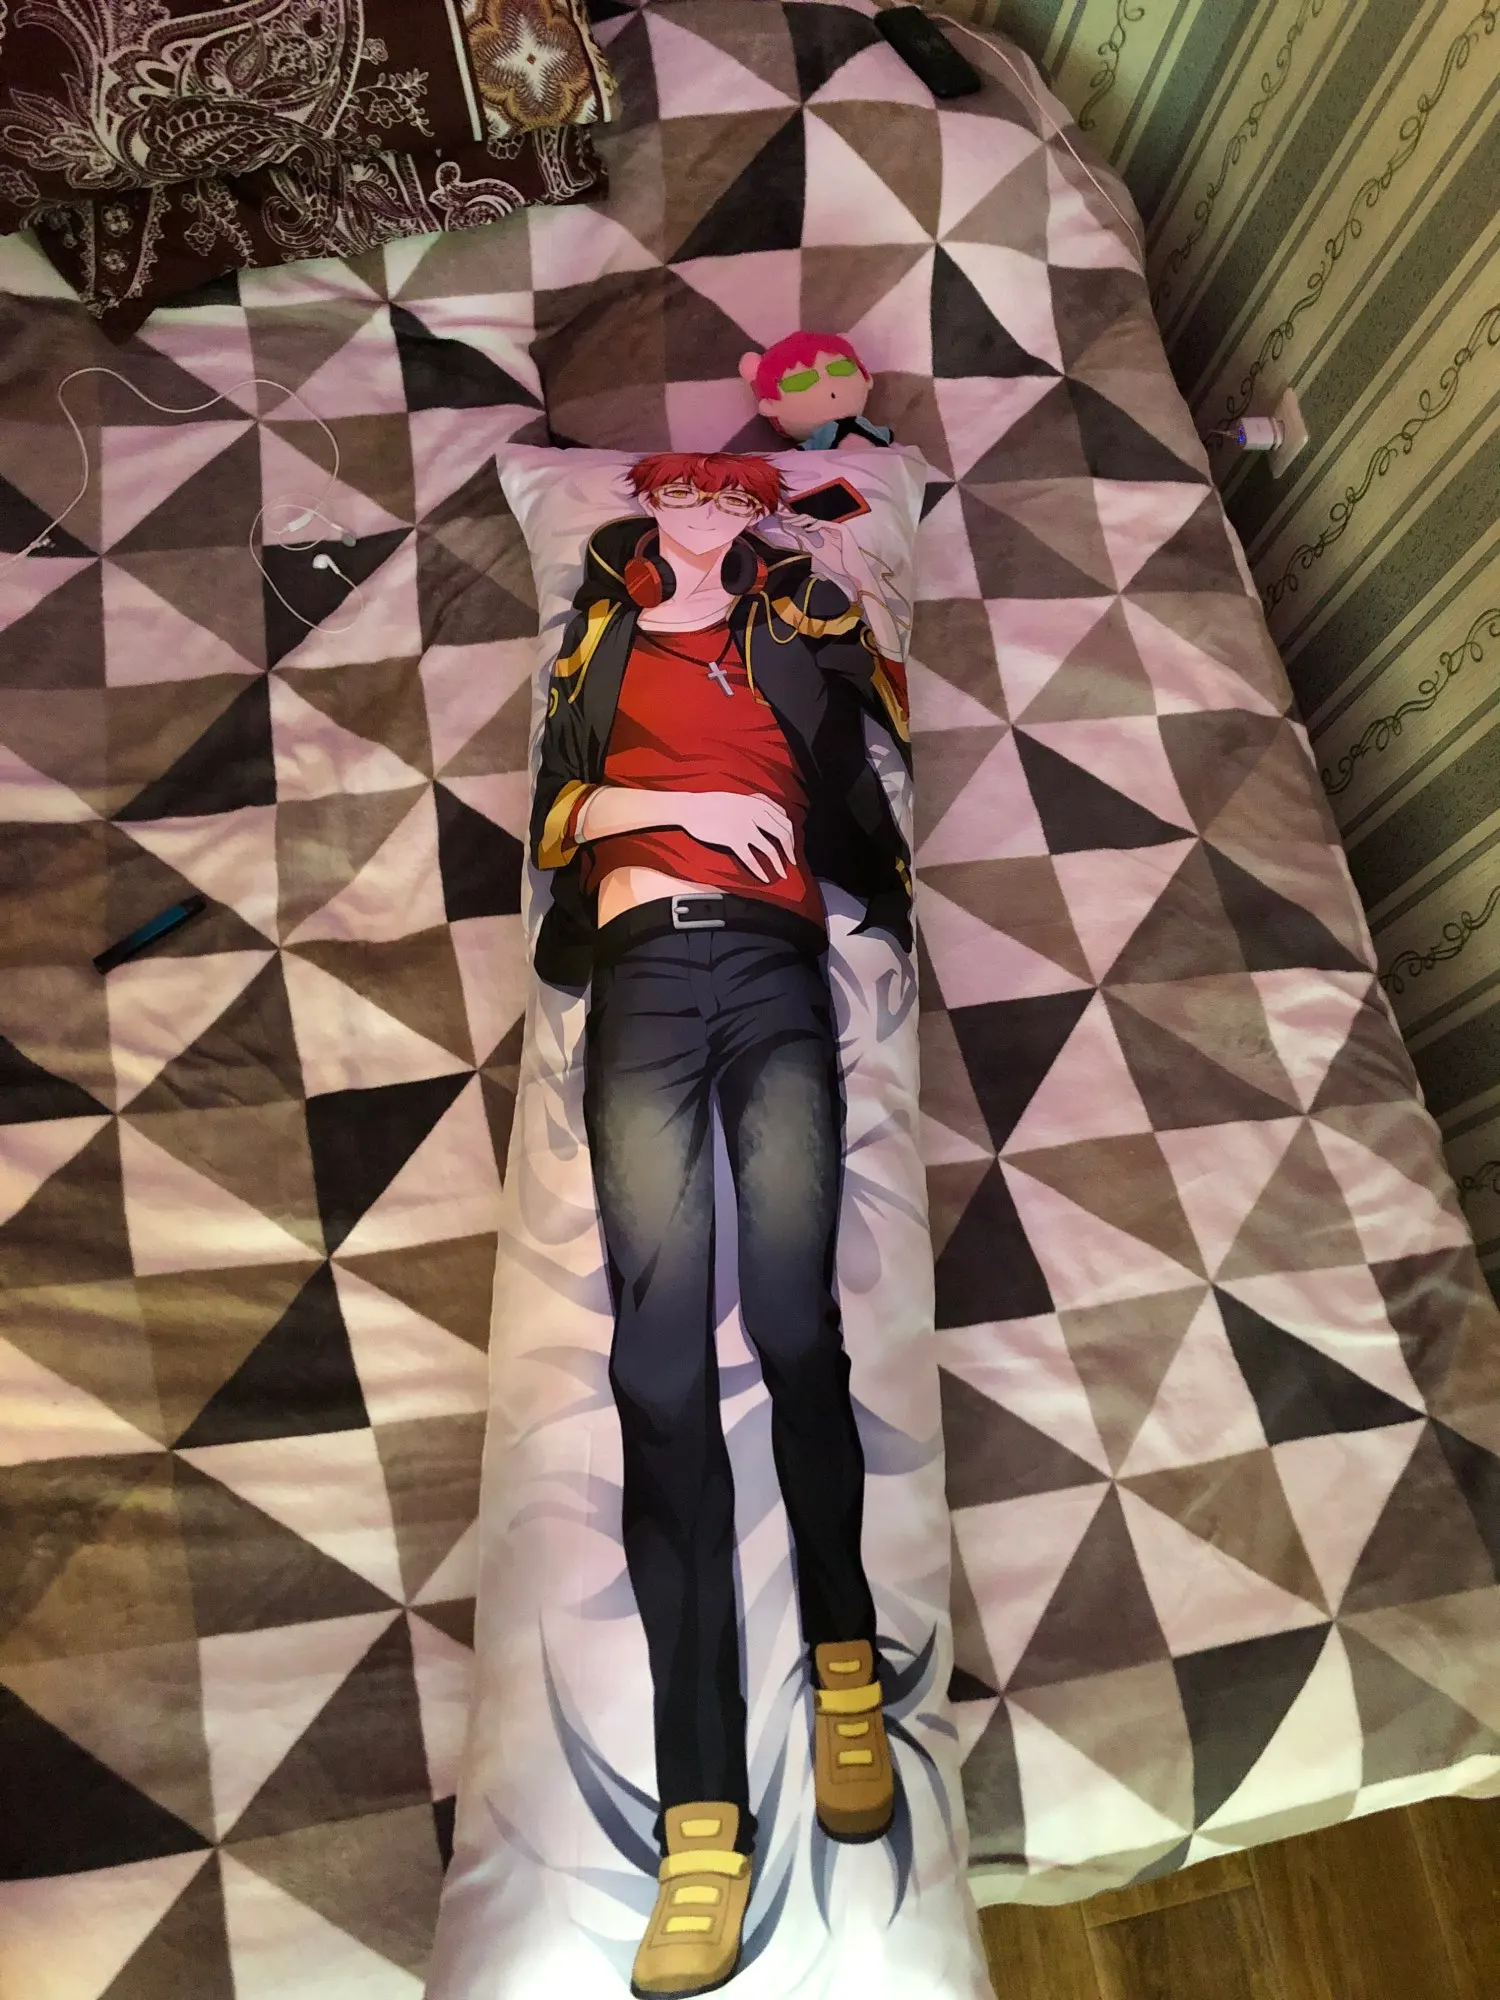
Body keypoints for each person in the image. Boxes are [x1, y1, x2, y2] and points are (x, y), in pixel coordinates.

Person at [530, 451, 913, 1999]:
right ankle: (703, 1819)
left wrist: (834, 553)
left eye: (738, 493)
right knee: (660, 1368)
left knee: (799, 1322)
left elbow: (870, 734)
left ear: (756, 519)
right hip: (639, 975)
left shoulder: (792, 631)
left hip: (772, 971)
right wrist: (669, 797)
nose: (709, 506)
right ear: (647, 508)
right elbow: (555, 812)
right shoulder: (597, 643)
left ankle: (846, 1667)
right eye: (682, 488)